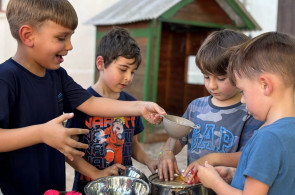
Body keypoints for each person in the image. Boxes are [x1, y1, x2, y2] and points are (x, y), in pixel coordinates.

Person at [0, 1, 166, 195]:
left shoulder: (57, 76)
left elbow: (91, 103)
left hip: (54, 188)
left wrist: (141, 107)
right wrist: (42, 133)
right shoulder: (6, 78)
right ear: (28, 36)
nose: (69, 46)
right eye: (61, 37)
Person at [196, 31, 295, 194]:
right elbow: (278, 179)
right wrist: (235, 174)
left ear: (265, 85)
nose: (242, 100)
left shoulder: (268, 137)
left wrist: (214, 183)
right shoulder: (287, 131)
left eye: (243, 91)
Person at [158, 29, 264, 181]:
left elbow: (250, 156)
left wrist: (213, 158)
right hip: (194, 186)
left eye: (221, 78)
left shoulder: (251, 111)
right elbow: (176, 139)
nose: (212, 85)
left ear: (242, 73)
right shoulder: (195, 107)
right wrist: (166, 152)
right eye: (206, 77)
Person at [66, 27, 158, 193]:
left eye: (133, 72)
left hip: (123, 188)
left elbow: (133, 145)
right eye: (123, 69)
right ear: (100, 63)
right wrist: (96, 174)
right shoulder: (82, 103)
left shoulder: (131, 105)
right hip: (86, 188)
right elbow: (69, 152)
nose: (128, 77)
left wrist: (149, 161)